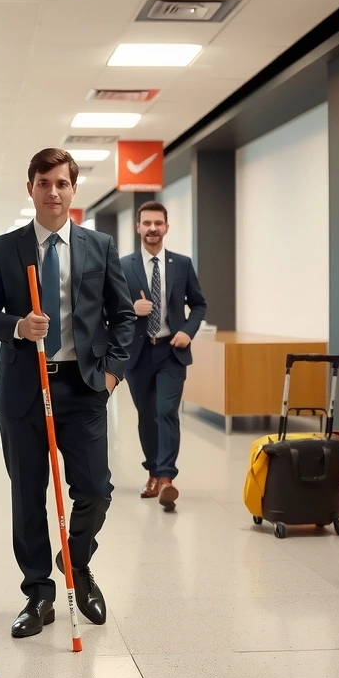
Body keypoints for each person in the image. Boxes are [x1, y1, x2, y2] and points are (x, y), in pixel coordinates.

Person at [0, 148, 135, 637]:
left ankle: (77, 561)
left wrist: (110, 376)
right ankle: (39, 594)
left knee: (96, 491)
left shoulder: (98, 245)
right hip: (24, 390)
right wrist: (18, 326)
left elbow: (122, 316)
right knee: (28, 497)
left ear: (73, 188)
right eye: (44, 183)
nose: (53, 192)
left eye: (62, 183)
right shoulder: (6, 248)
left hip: (84, 388)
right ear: (31, 188)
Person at [119, 201, 207, 509]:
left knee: (166, 411)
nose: (152, 228)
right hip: (138, 355)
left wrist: (188, 330)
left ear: (166, 228)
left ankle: (167, 477)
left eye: (158, 223)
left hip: (172, 350)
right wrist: (131, 308)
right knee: (147, 416)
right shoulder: (123, 265)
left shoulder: (181, 264)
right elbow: (107, 309)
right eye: (147, 223)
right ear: (138, 227)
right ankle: (154, 472)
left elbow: (198, 304)